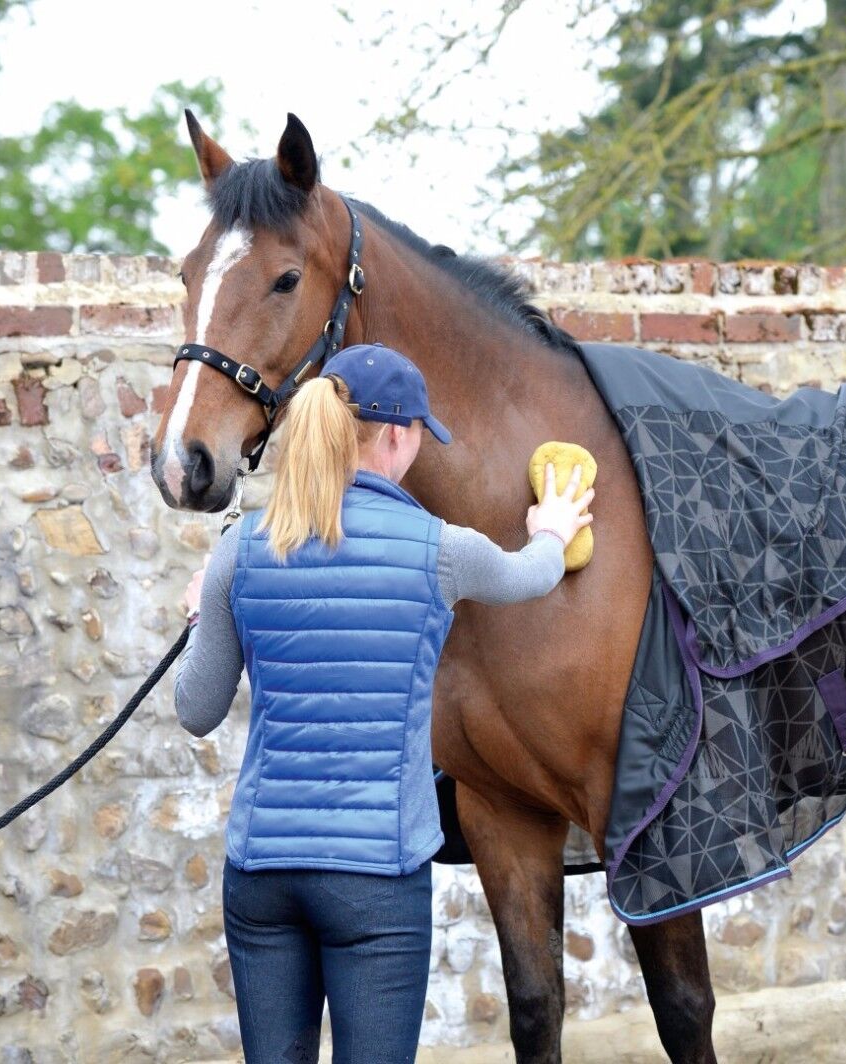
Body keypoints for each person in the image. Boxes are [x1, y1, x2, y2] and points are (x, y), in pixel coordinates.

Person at [173, 342, 592, 1064]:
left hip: (262, 879)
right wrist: (552, 529)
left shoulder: (239, 551)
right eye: (420, 431)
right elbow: (530, 576)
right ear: (397, 435)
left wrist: (199, 620)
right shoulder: (441, 549)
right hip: (376, 881)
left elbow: (196, 708)